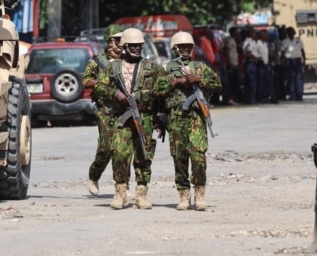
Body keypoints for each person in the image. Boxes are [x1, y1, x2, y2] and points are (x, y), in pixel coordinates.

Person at [93, 28, 166, 210]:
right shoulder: (113, 67)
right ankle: (121, 193)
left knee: (144, 156)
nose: (136, 49)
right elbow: (100, 87)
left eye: (139, 46)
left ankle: (141, 194)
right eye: (132, 46)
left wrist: (161, 118)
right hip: (121, 118)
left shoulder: (151, 68)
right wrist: (115, 93)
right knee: (120, 155)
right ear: (124, 46)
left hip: (145, 118)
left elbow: (163, 92)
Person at [155, 31, 221, 211]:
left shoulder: (201, 67)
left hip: (196, 118)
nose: (185, 49)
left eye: (188, 47)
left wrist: (201, 80)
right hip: (176, 118)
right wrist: (176, 82)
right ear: (175, 48)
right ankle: (184, 195)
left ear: (192, 48)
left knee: (198, 156)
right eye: (181, 47)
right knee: (179, 157)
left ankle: (200, 194)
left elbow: (218, 84)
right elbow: (158, 90)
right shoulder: (168, 68)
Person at [82, 24, 124, 196]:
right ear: (109, 41)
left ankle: (121, 186)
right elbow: (86, 81)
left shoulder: (127, 60)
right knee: (106, 147)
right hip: (105, 109)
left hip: (123, 108)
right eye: (117, 40)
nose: (120, 43)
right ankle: (94, 176)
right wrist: (103, 82)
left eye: (122, 40)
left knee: (122, 148)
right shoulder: (98, 61)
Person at [281, 26, 306, 101]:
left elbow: (302, 51)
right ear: (288, 33)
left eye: (293, 31)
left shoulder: (298, 40)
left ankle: (299, 94)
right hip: (289, 60)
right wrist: (283, 62)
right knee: (290, 78)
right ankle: (292, 94)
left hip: (297, 60)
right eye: (290, 31)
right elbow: (282, 53)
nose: (292, 33)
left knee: (299, 77)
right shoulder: (285, 41)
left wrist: (304, 60)